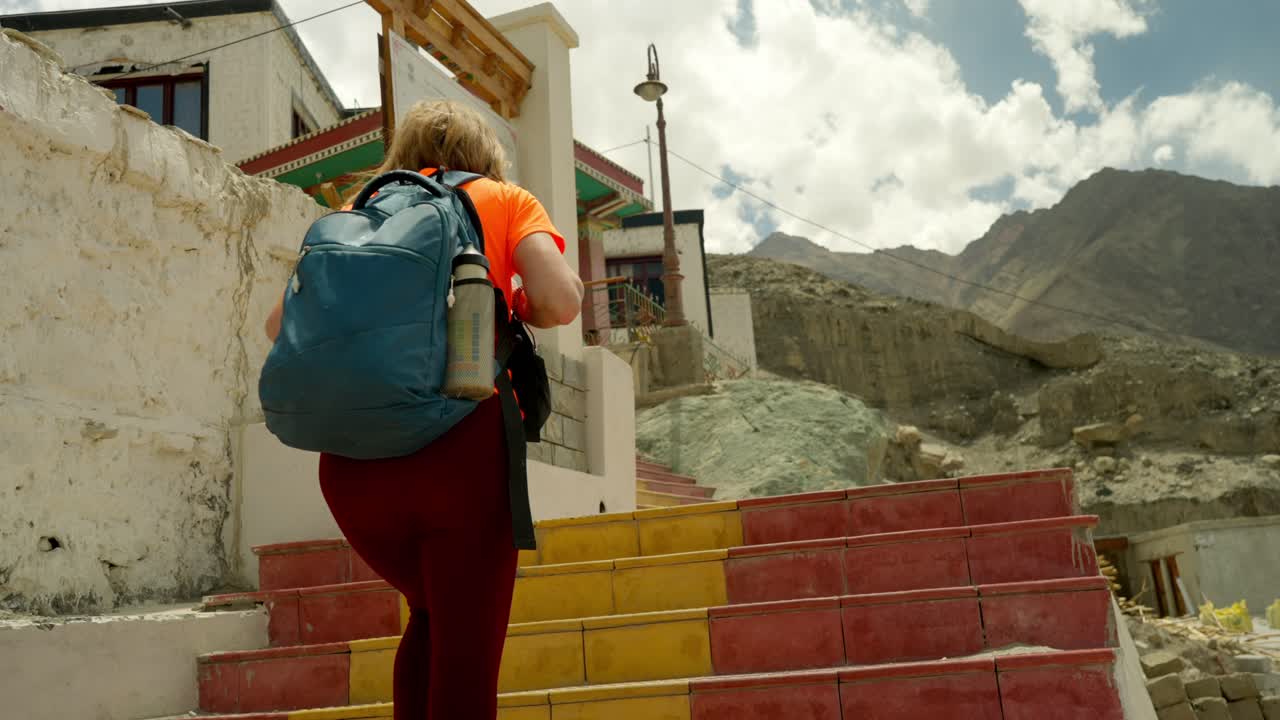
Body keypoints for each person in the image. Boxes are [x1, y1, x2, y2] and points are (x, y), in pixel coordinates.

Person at [263, 99, 583, 720]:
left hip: (351, 468)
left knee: (432, 618)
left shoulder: (358, 211)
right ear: (484, 152)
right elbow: (561, 300)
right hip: (461, 452)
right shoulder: (504, 199)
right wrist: (510, 302)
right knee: (466, 658)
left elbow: (279, 325)